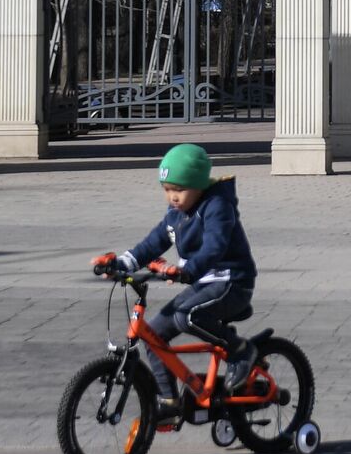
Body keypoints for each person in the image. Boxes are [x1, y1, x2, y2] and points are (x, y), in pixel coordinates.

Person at [92, 144, 257, 420]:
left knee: (186, 315)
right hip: (202, 284)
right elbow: (152, 244)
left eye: (179, 190)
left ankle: (240, 350)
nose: (173, 197)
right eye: (167, 190)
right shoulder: (175, 215)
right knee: (154, 332)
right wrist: (120, 264)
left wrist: (187, 270)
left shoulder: (217, 207)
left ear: (199, 185)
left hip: (232, 281)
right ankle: (169, 400)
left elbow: (214, 247)